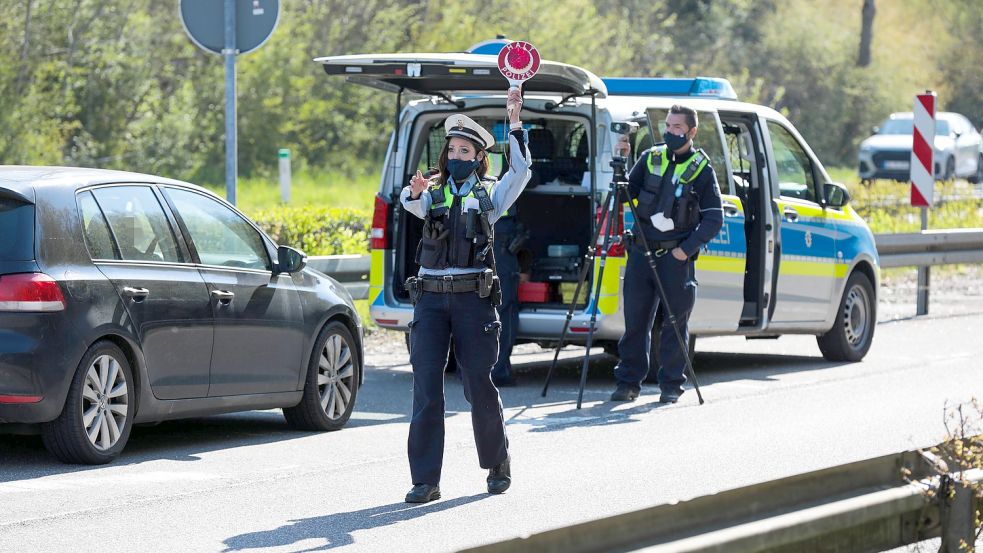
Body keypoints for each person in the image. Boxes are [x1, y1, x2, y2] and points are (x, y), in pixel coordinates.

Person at [399, 87, 531, 503]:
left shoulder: (490, 194)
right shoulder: (430, 194)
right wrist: (418, 191)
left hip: (473, 300)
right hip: (431, 301)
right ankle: (425, 481)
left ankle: (497, 463)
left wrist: (514, 123)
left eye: (463, 150)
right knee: (426, 389)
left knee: (479, 385)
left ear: (477, 157)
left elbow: (521, 172)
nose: (455, 156)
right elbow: (409, 201)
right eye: (450, 149)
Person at [610, 104, 723, 404]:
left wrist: (685, 251)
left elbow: (714, 218)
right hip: (641, 251)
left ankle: (671, 385)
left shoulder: (701, 169)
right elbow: (624, 196)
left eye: (677, 128)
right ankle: (628, 383)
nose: (671, 132)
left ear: (691, 132)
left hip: (675, 257)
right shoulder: (650, 158)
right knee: (635, 322)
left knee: (675, 323)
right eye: (668, 126)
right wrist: (620, 162)